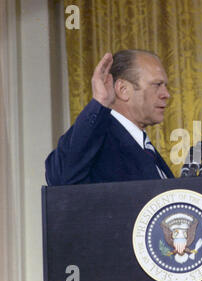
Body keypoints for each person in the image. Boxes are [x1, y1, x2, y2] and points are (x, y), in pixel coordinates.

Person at [45, 50, 174, 185]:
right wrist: (99, 103)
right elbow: (61, 178)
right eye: (157, 85)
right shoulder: (100, 138)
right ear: (123, 89)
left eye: (165, 86)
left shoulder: (144, 146)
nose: (166, 94)